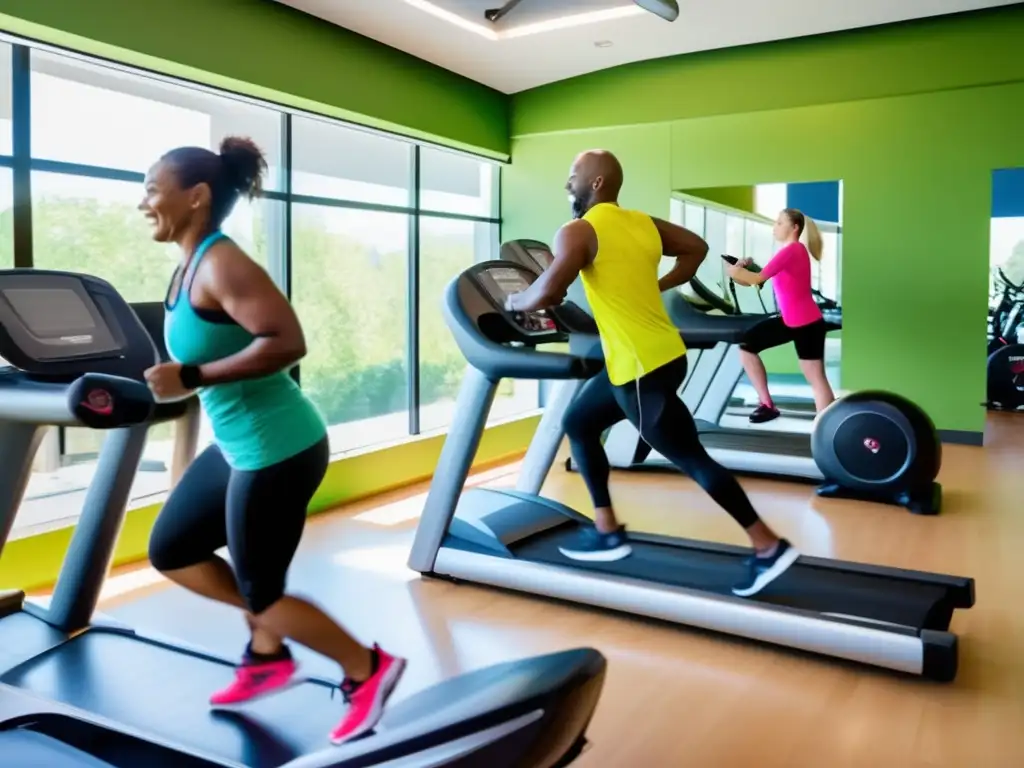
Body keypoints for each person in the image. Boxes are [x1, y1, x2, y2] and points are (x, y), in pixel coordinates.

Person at [140, 136, 404, 745]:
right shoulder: (188, 264)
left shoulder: (221, 263)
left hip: (277, 448)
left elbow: (287, 342)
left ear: (196, 196)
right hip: (239, 446)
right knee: (173, 549)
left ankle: (367, 668)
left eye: (153, 189)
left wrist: (195, 377)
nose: (143, 202)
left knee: (265, 589)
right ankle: (267, 652)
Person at [504, 149, 798, 597]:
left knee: (692, 459)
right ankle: (607, 529)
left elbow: (549, 290)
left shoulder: (578, 231)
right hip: (652, 358)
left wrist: (512, 302)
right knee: (578, 424)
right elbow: (697, 248)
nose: (568, 184)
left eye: (574, 175)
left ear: (597, 183)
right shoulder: (642, 223)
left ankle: (767, 546)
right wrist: (658, 284)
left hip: (641, 368)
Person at [725, 209, 836, 423]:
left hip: (806, 323)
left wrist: (734, 271)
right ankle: (767, 405)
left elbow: (756, 279)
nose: (774, 227)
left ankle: (828, 426)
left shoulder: (792, 250)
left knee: (815, 378)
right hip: (790, 320)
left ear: (794, 227)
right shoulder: (791, 251)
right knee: (747, 345)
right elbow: (758, 279)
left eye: (779, 223)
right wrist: (742, 267)